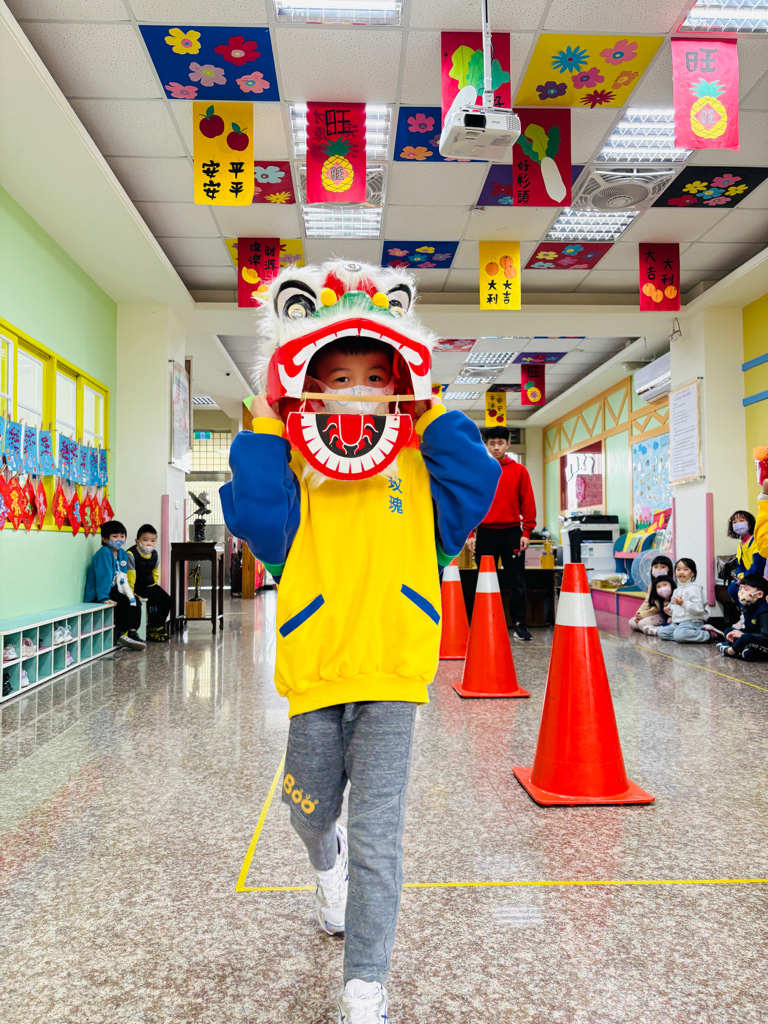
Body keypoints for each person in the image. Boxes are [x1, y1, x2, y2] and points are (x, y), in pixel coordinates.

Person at [220, 259, 500, 1024]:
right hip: (316, 669)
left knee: (380, 832)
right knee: (307, 808)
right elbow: (254, 513)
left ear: (399, 382)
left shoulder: (421, 471)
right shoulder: (296, 470)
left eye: (376, 377)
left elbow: (477, 480)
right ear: (310, 386)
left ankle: (364, 985)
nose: (357, 391)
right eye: (338, 378)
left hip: (393, 673)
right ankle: (326, 862)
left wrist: (430, 408)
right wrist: (269, 420)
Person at [467, 425, 537, 642]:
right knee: (484, 580)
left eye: (500, 443)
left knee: (517, 581)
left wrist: (527, 531)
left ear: (507, 445)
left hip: (511, 534)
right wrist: (470, 534)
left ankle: (520, 625)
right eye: (492, 443)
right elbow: (470, 504)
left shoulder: (519, 471)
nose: (496, 447)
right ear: (486, 446)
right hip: (485, 534)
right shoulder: (478, 470)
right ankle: (485, 623)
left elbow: (528, 502)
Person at [84, 520, 145, 650]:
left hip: (114, 588)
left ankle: (132, 632)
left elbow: (123, 577)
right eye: (115, 536)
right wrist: (104, 598)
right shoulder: (104, 553)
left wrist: (130, 594)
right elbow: (103, 577)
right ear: (105, 539)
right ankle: (122, 633)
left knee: (135, 601)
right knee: (123, 602)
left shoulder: (122, 553)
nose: (119, 540)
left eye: (122, 536)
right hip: (100, 592)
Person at [642, 558, 713, 643]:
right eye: (678, 569)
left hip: (693, 621)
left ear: (693, 573)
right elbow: (675, 608)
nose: (681, 572)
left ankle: (708, 634)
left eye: (685, 569)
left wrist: (683, 603)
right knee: (662, 633)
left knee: (679, 635)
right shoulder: (677, 590)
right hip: (678, 623)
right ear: (675, 573)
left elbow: (699, 609)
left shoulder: (695, 588)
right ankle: (683, 635)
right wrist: (669, 611)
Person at [127, 524, 171, 642]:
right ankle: (155, 626)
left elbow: (155, 571)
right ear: (137, 541)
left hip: (150, 585)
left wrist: (155, 585)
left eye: (152, 541)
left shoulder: (154, 554)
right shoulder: (130, 554)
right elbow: (130, 576)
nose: (149, 544)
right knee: (154, 597)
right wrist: (131, 593)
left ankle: (158, 625)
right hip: (136, 587)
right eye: (145, 540)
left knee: (167, 599)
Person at [726, 510, 765, 625]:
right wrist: (740, 576)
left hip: (759, 577)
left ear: (750, 523)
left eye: (742, 520)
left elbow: (758, 565)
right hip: (747, 578)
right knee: (733, 588)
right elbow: (739, 565)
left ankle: (751, 617)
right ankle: (744, 615)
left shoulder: (755, 541)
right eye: (734, 522)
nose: (738, 524)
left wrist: (745, 577)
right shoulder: (740, 546)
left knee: (743, 590)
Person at [716, 575, 768, 660]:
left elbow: (765, 636)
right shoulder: (749, 607)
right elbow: (749, 630)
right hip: (753, 639)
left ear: (759, 594)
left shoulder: (764, 611)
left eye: (746, 589)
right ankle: (743, 651)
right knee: (729, 631)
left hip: (764, 642)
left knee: (745, 637)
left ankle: (730, 651)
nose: (741, 592)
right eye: (740, 589)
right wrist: (740, 633)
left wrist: (743, 635)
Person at [628, 554, 675, 632]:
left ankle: (659, 630)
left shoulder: (670, 585)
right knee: (632, 623)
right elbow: (647, 601)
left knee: (641, 624)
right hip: (653, 613)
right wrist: (639, 613)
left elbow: (659, 607)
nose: (659, 569)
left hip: (665, 614)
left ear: (669, 569)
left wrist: (643, 615)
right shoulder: (652, 585)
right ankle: (650, 627)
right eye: (656, 567)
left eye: (663, 567)